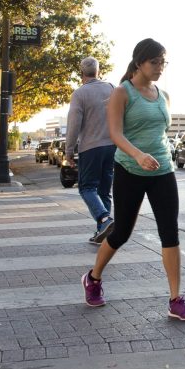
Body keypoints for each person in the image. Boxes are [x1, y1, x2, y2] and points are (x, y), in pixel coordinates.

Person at [81, 39, 185, 322]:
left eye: (163, 62)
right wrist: (138, 155)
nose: (160, 68)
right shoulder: (122, 93)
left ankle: (175, 300)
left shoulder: (163, 95)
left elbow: (160, 131)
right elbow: (115, 134)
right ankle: (93, 278)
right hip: (130, 170)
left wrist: (159, 154)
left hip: (163, 171)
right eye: (155, 62)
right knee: (121, 232)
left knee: (170, 233)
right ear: (139, 62)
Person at [65, 57, 118, 244]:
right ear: (98, 71)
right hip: (112, 146)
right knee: (105, 191)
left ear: (81, 74)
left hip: (90, 148)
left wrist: (69, 151)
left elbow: (73, 124)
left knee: (87, 187)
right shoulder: (112, 88)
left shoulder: (80, 94)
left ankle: (104, 218)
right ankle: (103, 234)